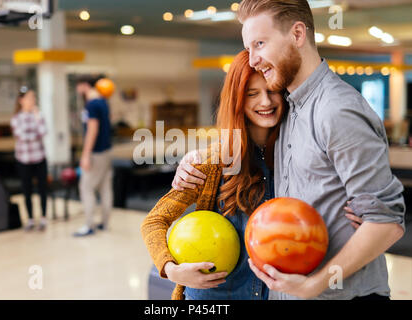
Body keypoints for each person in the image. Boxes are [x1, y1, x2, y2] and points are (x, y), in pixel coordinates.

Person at [172, 0, 406, 300]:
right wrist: (199, 157)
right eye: (249, 47)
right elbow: (247, 140)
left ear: (297, 34)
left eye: (259, 44)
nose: (252, 59)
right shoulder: (289, 108)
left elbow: (386, 223)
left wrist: (315, 284)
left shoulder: (336, 110)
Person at [141, 50, 360, 300]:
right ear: (238, 100)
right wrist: (172, 270)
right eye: (252, 94)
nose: (265, 102)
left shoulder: (302, 159)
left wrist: (358, 219)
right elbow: (154, 221)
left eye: (272, 91)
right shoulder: (213, 163)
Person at [73, 75, 113, 237]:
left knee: (86, 187)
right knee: (104, 187)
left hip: (96, 152)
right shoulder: (103, 102)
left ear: (84, 85)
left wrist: (85, 155)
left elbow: (92, 130)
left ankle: (89, 225)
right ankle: (104, 222)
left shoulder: (91, 104)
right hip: (107, 150)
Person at [10, 86, 48, 231]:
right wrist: (36, 135)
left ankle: (43, 218)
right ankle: (31, 219)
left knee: (43, 189)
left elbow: (44, 132)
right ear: (21, 100)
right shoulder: (16, 118)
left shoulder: (38, 115)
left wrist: (37, 119)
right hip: (23, 159)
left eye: (33, 97)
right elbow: (22, 137)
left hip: (39, 157)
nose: (32, 100)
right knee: (27, 190)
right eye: (29, 97)